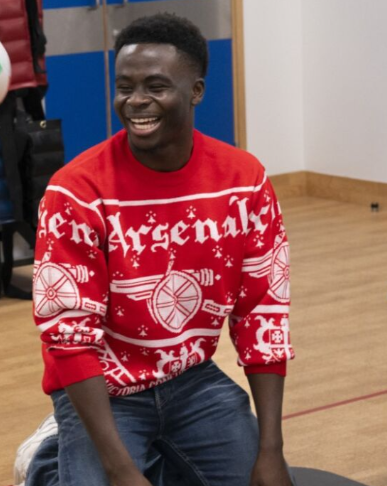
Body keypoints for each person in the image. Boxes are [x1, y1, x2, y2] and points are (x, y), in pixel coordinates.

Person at [17, 13, 294, 486]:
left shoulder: (244, 182)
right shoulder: (76, 192)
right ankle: (46, 460)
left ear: (197, 91)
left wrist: (271, 449)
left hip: (191, 379)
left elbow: (263, 313)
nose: (136, 101)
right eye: (125, 87)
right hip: (99, 389)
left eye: (156, 86)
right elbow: (69, 337)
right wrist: (120, 469)